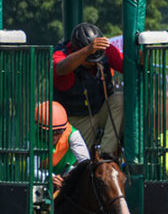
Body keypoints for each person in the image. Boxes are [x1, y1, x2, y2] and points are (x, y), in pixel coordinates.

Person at [53, 22, 124, 154]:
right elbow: (60, 69)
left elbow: (127, 65)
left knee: (120, 99)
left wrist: (141, 59)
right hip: (77, 118)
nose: (93, 63)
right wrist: (86, 51)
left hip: (102, 110)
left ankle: (106, 155)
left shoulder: (103, 48)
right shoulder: (61, 54)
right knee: (79, 164)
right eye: (89, 59)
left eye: (96, 58)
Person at [34, 101, 91, 188]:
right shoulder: (32, 138)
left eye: (59, 132)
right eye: (49, 132)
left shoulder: (72, 134)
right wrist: (49, 178)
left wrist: (71, 177)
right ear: (39, 128)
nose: (54, 137)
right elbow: (31, 171)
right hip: (39, 182)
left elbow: (85, 163)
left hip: (66, 176)